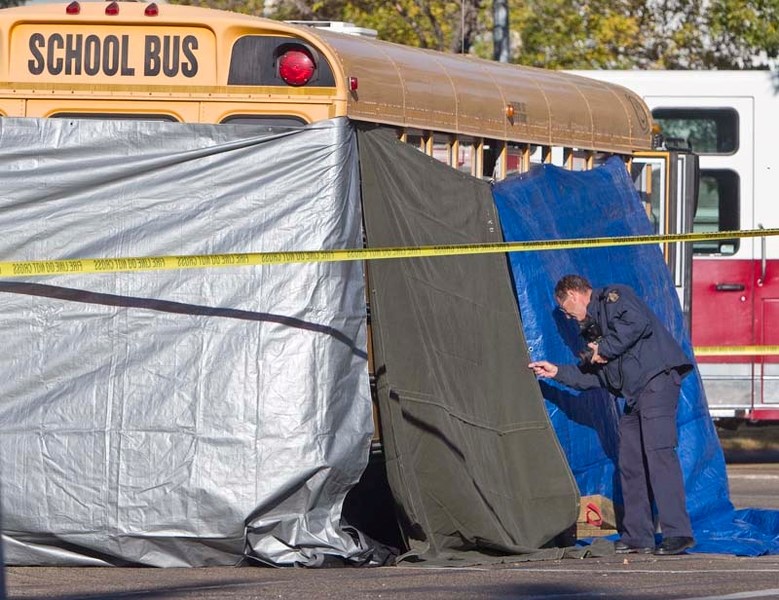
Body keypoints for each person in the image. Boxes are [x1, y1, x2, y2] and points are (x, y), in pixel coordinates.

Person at [528, 274, 695, 556]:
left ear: (574, 294)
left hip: (656, 382)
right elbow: (595, 377)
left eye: (567, 310)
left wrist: (603, 350)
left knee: (659, 454)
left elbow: (637, 324)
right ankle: (638, 536)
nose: (569, 318)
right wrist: (556, 371)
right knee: (630, 462)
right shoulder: (593, 331)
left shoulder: (615, 297)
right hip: (633, 395)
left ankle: (678, 533)